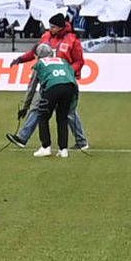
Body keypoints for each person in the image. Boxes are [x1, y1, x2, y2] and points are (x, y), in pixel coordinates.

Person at [27, 14, 86, 158]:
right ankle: (64, 150)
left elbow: (79, 61)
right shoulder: (47, 38)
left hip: (56, 84)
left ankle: (46, 147)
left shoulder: (72, 40)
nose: (50, 29)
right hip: (67, 85)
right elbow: (33, 51)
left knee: (44, 115)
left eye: (53, 26)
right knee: (63, 117)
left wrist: (69, 71)